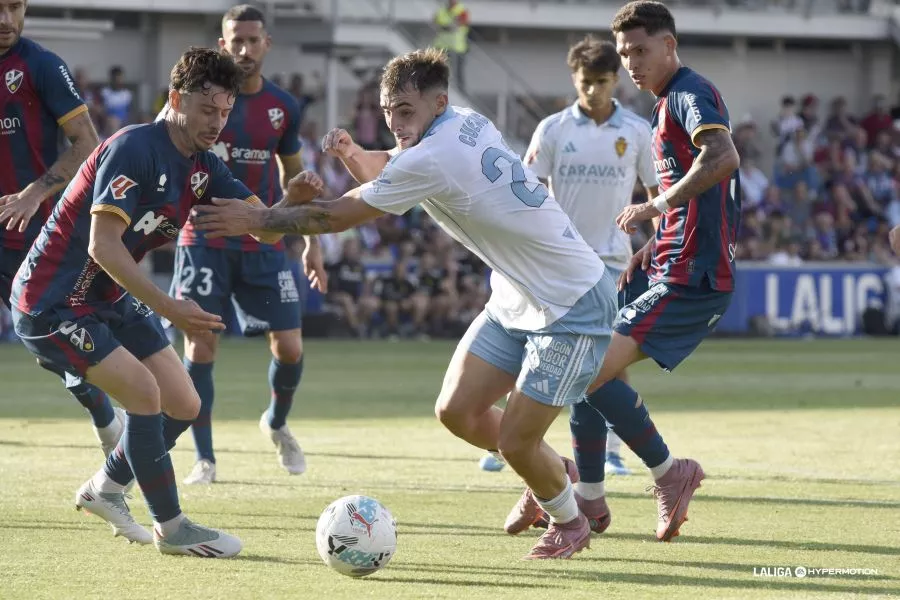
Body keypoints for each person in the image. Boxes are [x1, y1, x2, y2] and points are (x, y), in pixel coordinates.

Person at [193, 47, 619, 560]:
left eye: (406, 112)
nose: (395, 122)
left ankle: (571, 520)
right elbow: (388, 167)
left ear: (438, 102)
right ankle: (553, 474)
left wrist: (258, 221)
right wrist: (353, 154)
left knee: (514, 442)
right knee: (457, 411)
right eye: (389, 111)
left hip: (571, 302)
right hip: (518, 295)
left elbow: (337, 216)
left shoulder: (437, 156)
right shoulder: (461, 121)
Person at [10, 47, 318, 557]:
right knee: (145, 395)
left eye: (224, 113)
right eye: (207, 110)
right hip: (52, 304)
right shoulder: (135, 147)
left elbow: (262, 229)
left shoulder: (203, 166)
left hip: (107, 297)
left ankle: (106, 491)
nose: (218, 123)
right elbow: (101, 246)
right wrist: (171, 308)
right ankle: (172, 528)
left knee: (185, 402)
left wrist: (291, 208)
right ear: (176, 99)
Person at [565, 0, 741, 542]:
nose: (632, 63)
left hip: (693, 278)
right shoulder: (665, 105)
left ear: (669, 45)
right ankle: (590, 500)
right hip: (667, 262)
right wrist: (655, 240)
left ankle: (669, 474)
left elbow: (723, 158)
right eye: (625, 53)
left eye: (641, 50)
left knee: (587, 368)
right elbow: (698, 191)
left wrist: (656, 206)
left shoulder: (690, 94)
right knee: (582, 367)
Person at [498, 35, 659, 536]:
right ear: (575, 80)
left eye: (603, 82)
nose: (593, 91)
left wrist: (655, 247)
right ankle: (577, 476)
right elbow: (524, 192)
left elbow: (657, 195)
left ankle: (587, 475)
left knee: (597, 368)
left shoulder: (634, 131)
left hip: (613, 266)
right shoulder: (552, 130)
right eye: (586, 82)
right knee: (577, 372)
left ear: (616, 83)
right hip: (559, 268)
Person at [173, 4, 327, 485]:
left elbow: (294, 177)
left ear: (266, 44)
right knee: (201, 346)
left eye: (252, 40)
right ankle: (205, 458)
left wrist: (312, 243)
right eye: (235, 41)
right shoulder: (199, 101)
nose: (244, 49)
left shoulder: (283, 107)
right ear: (223, 44)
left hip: (264, 241)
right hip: (205, 239)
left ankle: (277, 423)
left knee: (290, 349)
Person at [0, 0, 124, 457]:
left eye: (14, 6)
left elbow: (88, 144)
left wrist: (34, 192)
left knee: (50, 344)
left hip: (30, 237)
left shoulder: (41, 66)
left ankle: (109, 419)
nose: (5, 20)